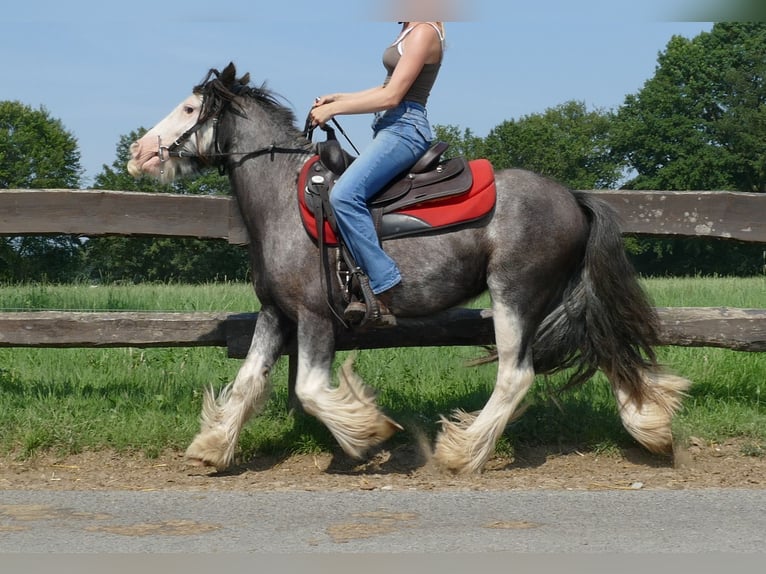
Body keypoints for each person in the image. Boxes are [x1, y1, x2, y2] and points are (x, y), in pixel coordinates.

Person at [310, 21, 446, 327]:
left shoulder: (424, 31)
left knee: (344, 195)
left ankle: (385, 286)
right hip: (390, 127)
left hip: (404, 129)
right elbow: (386, 86)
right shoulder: (410, 29)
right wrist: (339, 98)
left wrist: (335, 111)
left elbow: (392, 97)